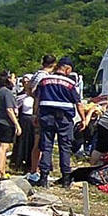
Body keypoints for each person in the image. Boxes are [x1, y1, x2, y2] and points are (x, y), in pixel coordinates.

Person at [33, 57, 89, 188]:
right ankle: (66, 178)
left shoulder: (44, 81)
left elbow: (37, 99)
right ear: (67, 69)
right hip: (64, 119)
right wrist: (83, 119)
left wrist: (35, 115)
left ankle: (43, 177)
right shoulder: (70, 83)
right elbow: (78, 103)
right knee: (65, 147)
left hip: (46, 116)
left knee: (46, 146)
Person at [26, 55, 58, 179]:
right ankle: (37, 170)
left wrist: (32, 96)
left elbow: (28, 88)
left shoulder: (36, 75)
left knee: (38, 142)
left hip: (37, 109)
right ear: (54, 65)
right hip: (43, 111)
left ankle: (35, 169)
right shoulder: (46, 77)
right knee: (42, 143)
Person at [0, 71, 22, 179]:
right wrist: (17, 125)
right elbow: (9, 110)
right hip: (5, 123)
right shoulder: (7, 93)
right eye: (14, 78)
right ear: (9, 79)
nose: (15, 80)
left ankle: (1, 170)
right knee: (4, 147)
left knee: (4, 146)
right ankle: (1, 172)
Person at [11, 75, 36, 172]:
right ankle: (19, 161)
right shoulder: (21, 95)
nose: (25, 83)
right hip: (23, 119)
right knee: (22, 142)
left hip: (33, 120)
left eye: (27, 81)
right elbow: (16, 105)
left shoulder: (36, 94)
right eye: (23, 81)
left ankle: (31, 163)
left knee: (32, 141)